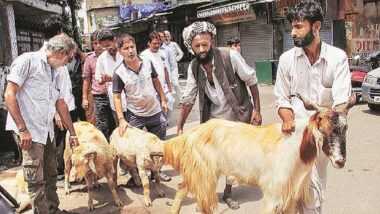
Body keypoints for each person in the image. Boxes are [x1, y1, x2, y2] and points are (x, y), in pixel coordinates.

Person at [274, 1, 352, 213]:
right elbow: (282, 99)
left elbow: (341, 104)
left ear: (316, 27)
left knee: (312, 199)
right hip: (293, 138)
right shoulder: (286, 60)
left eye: (298, 26)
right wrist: (288, 118)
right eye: (292, 26)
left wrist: (332, 118)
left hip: (320, 138)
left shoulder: (337, 58)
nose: (292, 32)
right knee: (286, 196)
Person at [177, 21, 262, 210]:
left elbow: (252, 80)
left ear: (212, 42)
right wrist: (180, 125)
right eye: (197, 46)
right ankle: (208, 196)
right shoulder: (193, 67)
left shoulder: (230, 56)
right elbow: (189, 98)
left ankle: (228, 192)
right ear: (191, 47)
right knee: (210, 159)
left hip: (237, 116)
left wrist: (257, 109)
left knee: (232, 159)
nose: (201, 49)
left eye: (204, 45)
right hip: (213, 120)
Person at [4, 34, 79, 214]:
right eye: (68, 58)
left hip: (46, 131)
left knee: (51, 174)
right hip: (29, 132)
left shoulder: (58, 70)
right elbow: (9, 95)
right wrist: (23, 130)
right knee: (35, 179)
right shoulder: (27, 62)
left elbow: (61, 103)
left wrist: (73, 133)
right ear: (61, 53)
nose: (68, 63)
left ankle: (53, 209)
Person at [113, 33, 168, 142]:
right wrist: (121, 120)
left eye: (132, 47)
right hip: (135, 115)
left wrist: (163, 99)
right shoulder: (119, 73)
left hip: (155, 111)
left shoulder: (147, 62)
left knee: (159, 146)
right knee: (132, 146)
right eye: (126, 48)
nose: (130, 51)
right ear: (119, 51)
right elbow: (117, 97)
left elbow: (156, 81)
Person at [41, 15, 76, 181]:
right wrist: (57, 114)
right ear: (58, 34)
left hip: (65, 106)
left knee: (63, 142)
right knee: (57, 146)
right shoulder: (48, 57)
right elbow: (49, 92)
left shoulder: (58, 55)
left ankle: (63, 171)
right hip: (55, 112)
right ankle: (61, 172)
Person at [95, 29, 127, 139]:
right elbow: (98, 78)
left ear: (114, 40)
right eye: (104, 47)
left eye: (108, 45)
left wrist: (114, 78)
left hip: (131, 97)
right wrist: (104, 79)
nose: (107, 49)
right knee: (121, 128)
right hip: (115, 99)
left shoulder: (124, 53)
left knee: (134, 128)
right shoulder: (101, 58)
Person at [82, 30, 105, 128]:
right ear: (92, 45)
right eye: (95, 43)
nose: (98, 46)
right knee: (98, 123)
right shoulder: (89, 59)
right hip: (97, 97)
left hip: (112, 95)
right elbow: (86, 80)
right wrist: (84, 98)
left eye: (100, 43)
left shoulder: (110, 56)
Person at [162, 31, 183, 101]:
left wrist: (176, 59)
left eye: (168, 36)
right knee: (168, 85)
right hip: (166, 69)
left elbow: (181, 53)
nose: (167, 38)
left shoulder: (174, 44)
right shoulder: (161, 47)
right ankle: (169, 101)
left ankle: (182, 99)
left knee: (176, 83)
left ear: (170, 37)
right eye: (165, 36)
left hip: (174, 68)